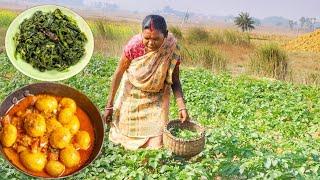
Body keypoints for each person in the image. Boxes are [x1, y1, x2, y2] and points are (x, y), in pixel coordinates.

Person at [103, 15, 189, 150]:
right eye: (147, 38)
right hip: (132, 93)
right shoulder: (134, 46)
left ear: (165, 35)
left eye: (156, 39)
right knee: (123, 138)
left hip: (157, 97)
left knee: (156, 145)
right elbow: (118, 73)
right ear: (141, 33)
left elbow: (175, 80)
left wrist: (181, 106)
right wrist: (109, 106)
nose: (150, 43)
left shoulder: (171, 48)